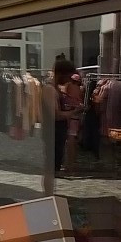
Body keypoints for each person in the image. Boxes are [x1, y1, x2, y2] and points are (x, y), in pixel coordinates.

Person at [42, 57, 80, 194]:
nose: (69, 80)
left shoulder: (55, 89)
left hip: (57, 132)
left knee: (54, 166)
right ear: (61, 74)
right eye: (68, 76)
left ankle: (50, 194)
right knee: (50, 167)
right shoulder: (49, 89)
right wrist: (74, 111)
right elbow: (56, 114)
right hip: (52, 132)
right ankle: (48, 195)